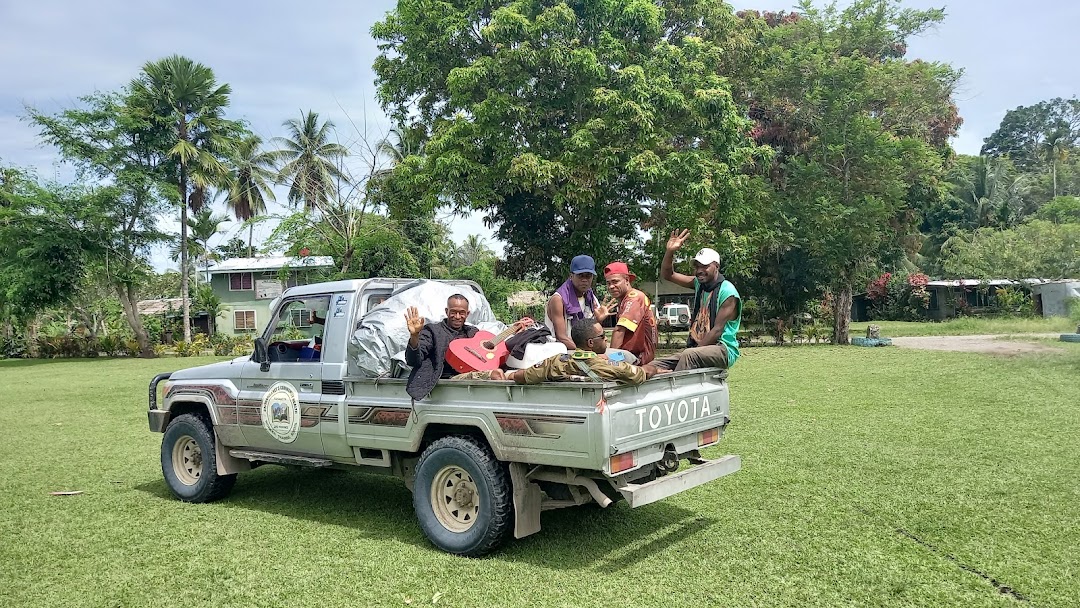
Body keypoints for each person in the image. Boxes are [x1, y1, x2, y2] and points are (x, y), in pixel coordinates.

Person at [654, 229, 742, 371]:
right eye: (697, 266)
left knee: (688, 356)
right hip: (698, 349)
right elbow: (668, 274)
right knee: (658, 364)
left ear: (716, 267)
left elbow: (717, 330)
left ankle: (678, 391)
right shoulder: (698, 284)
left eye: (705, 266)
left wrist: (694, 350)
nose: (699, 270)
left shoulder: (728, 292)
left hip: (722, 349)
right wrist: (670, 251)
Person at [404, 294, 504, 400]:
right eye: (453, 312)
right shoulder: (432, 331)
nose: (457, 316)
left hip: (474, 383)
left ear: (467, 314)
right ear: (446, 311)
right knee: (496, 374)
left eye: (461, 313)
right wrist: (414, 336)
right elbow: (413, 360)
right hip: (447, 382)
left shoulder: (473, 333)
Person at [507, 318, 658, 385]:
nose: (606, 339)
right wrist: (654, 369)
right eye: (603, 336)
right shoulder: (610, 366)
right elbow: (641, 373)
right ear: (591, 342)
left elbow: (522, 376)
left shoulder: (555, 362)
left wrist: (507, 375)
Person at [544, 254, 614, 351]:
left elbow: (588, 331)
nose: (584, 280)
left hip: (582, 350)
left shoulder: (591, 297)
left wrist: (598, 320)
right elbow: (561, 337)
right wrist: (586, 353)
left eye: (588, 276)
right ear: (571, 276)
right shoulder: (558, 299)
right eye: (580, 276)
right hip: (561, 351)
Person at [603, 261, 658, 365]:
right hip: (630, 354)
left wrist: (610, 360)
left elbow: (619, 330)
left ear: (627, 280)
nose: (611, 286)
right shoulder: (624, 300)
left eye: (615, 282)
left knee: (598, 361)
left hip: (637, 357)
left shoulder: (634, 297)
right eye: (608, 283)